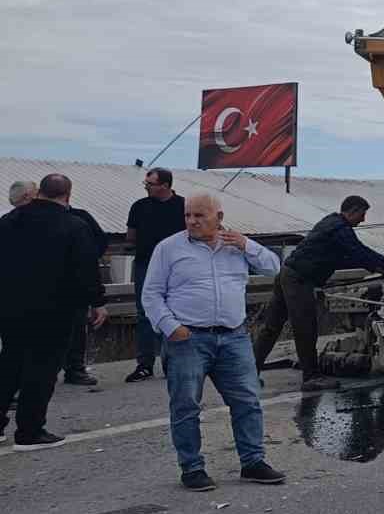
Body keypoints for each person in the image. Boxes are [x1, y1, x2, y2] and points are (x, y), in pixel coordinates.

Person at [143, 192, 286, 490]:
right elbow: (151, 293)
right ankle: (192, 468)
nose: (192, 221)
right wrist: (171, 327)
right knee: (186, 406)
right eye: (188, 215)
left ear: (219, 218)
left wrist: (248, 244)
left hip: (233, 337)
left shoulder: (236, 246)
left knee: (247, 401)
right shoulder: (168, 248)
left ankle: (253, 462)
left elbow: (274, 268)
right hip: (187, 339)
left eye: (199, 215)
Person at [0, 174, 107, 449]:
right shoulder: (73, 225)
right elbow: (86, 267)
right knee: (42, 368)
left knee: (9, 364)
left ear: (39, 192)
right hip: (55, 309)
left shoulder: (9, 221)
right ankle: (29, 432)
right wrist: (97, 302)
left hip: (11, 307)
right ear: (68, 195)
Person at [253, 195, 384, 391]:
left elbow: (347, 257)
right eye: (362, 214)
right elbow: (359, 252)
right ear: (353, 211)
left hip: (286, 274)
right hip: (299, 280)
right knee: (306, 328)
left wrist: (380, 267)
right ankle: (311, 377)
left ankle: (247, 375)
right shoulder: (340, 229)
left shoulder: (330, 223)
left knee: (271, 327)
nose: (363, 220)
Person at [124, 168, 186, 382]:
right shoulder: (139, 207)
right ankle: (144, 364)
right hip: (146, 265)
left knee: (175, 312)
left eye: (150, 184)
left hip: (177, 267)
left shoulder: (184, 206)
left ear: (165, 185)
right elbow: (130, 237)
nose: (146, 187)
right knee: (145, 313)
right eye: (146, 183)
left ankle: (174, 361)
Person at [59, 197, 110, 386]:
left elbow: (100, 241)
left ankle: (75, 369)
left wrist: (86, 257)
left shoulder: (80, 218)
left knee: (76, 328)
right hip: (46, 286)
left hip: (74, 284)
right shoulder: (30, 218)